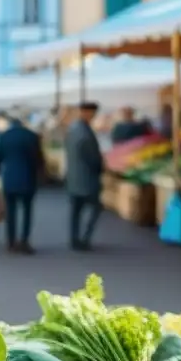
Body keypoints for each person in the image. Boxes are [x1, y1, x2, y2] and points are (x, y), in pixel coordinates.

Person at [0, 108, 44, 255]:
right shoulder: (32, 136)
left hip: (9, 178)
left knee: (11, 211)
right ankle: (24, 241)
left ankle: (11, 241)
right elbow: (38, 159)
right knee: (27, 210)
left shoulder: (3, 136)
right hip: (28, 177)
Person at [65, 101, 104, 251]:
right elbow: (92, 157)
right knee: (95, 207)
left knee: (76, 211)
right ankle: (84, 238)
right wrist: (99, 168)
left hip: (73, 176)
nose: (93, 116)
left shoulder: (73, 129)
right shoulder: (84, 132)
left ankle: (75, 239)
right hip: (86, 178)